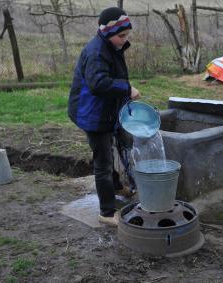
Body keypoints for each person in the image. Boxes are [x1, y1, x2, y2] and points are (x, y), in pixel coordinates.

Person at [68, 7, 140, 226]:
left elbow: (111, 77)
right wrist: (126, 89)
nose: (124, 40)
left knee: (112, 149)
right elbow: (98, 84)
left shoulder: (111, 46)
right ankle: (106, 213)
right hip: (92, 113)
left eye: (127, 35)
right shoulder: (96, 52)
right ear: (108, 32)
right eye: (121, 36)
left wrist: (123, 91)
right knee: (103, 161)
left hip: (105, 109)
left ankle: (117, 187)